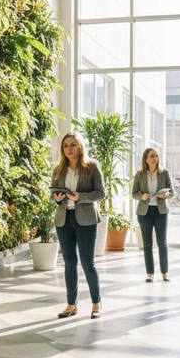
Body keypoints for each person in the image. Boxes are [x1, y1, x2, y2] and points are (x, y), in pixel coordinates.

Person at [51, 131, 105, 319]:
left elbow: (101, 193)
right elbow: (53, 194)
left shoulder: (92, 167)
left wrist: (79, 197)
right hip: (64, 219)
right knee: (69, 264)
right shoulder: (58, 170)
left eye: (73, 144)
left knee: (88, 263)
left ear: (80, 146)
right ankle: (71, 304)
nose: (69, 149)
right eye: (65, 145)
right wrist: (57, 198)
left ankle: (96, 303)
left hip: (86, 220)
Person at [131, 147, 172, 282]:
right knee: (147, 244)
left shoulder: (164, 173)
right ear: (146, 159)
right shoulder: (139, 174)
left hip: (161, 212)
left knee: (162, 243)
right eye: (151, 156)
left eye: (156, 156)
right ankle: (150, 273)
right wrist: (142, 196)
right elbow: (134, 193)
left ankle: (164, 272)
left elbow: (172, 192)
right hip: (145, 212)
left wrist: (166, 194)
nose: (155, 158)